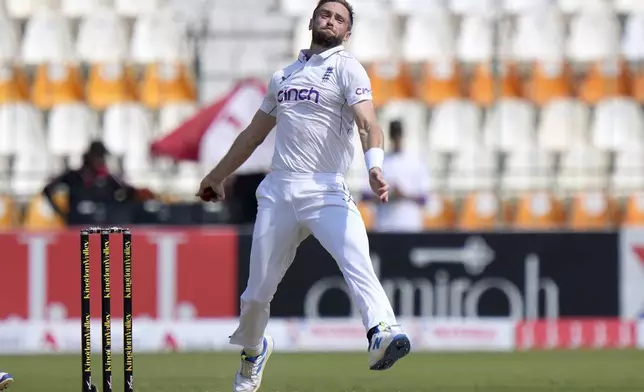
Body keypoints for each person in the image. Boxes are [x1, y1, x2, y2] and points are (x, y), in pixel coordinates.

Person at [195, 1, 410, 391]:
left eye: (339, 19)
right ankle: (254, 351)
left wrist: (374, 166)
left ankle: (381, 331)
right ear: (311, 21)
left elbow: (368, 124)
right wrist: (217, 175)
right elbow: (251, 135)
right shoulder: (283, 77)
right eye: (325, 15)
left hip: (326, 187)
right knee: (256, 295)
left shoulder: (347, 68)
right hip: (279, 191)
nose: (330, 21)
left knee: (355, 257)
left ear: (347, 33)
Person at [42, 141, 138, 224]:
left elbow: (129, 192)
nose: (101, 161)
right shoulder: (73, 176)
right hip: (76, 228)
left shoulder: (108, 179)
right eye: (98, 157)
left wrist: (114, 209)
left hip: (100, 228)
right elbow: (48, 189)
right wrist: (60, 212)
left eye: (102, 157)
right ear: (89, 157)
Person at [364, 120, 430, 232]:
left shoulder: (416, 161)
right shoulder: (379, 161)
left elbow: (424, 198)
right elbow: (366, 196)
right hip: (384, 226)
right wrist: (387, 194)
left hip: (409, 226)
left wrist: (403, 195)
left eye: (398, 135)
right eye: (394, 135)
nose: (396, 138)